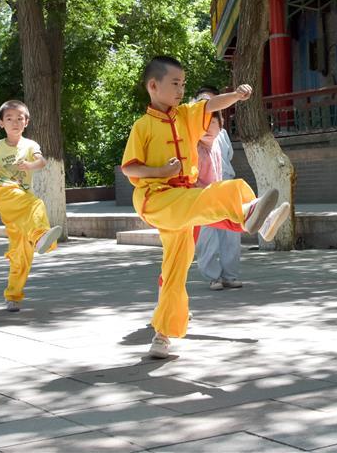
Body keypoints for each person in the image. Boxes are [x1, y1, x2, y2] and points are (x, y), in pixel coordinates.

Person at [121, 56, 291, 359]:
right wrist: (161, 172)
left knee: (176, 268)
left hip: (183, 199)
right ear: (153, 85)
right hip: (155, 198)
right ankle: (253, 216)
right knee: (221, 193)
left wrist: (236, 96)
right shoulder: (142, 126)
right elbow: (131, 169)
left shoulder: (186, 115)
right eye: (175, 84)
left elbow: (211, 105)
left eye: (183, 84)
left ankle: (162, 334)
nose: (180, 90)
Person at [0, 100, 63, 312]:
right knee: (36, 203)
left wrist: (30, 165)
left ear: (26, 122)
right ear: (1, 123)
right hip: (5, 193)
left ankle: (13, 296)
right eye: (9, 119)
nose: (15, 122)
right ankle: (40, 236)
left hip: (22, 199)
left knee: (21, 253)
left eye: (20, 118)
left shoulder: (30, 145)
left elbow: (42, 162)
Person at [193, 87, 243, 290]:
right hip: (202, 191)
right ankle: (213, 276)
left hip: (225, 185)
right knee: (208, 235)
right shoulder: (193, 134)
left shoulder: (221, 133)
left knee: (231, 233)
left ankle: (230, 275)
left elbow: (228, 156)